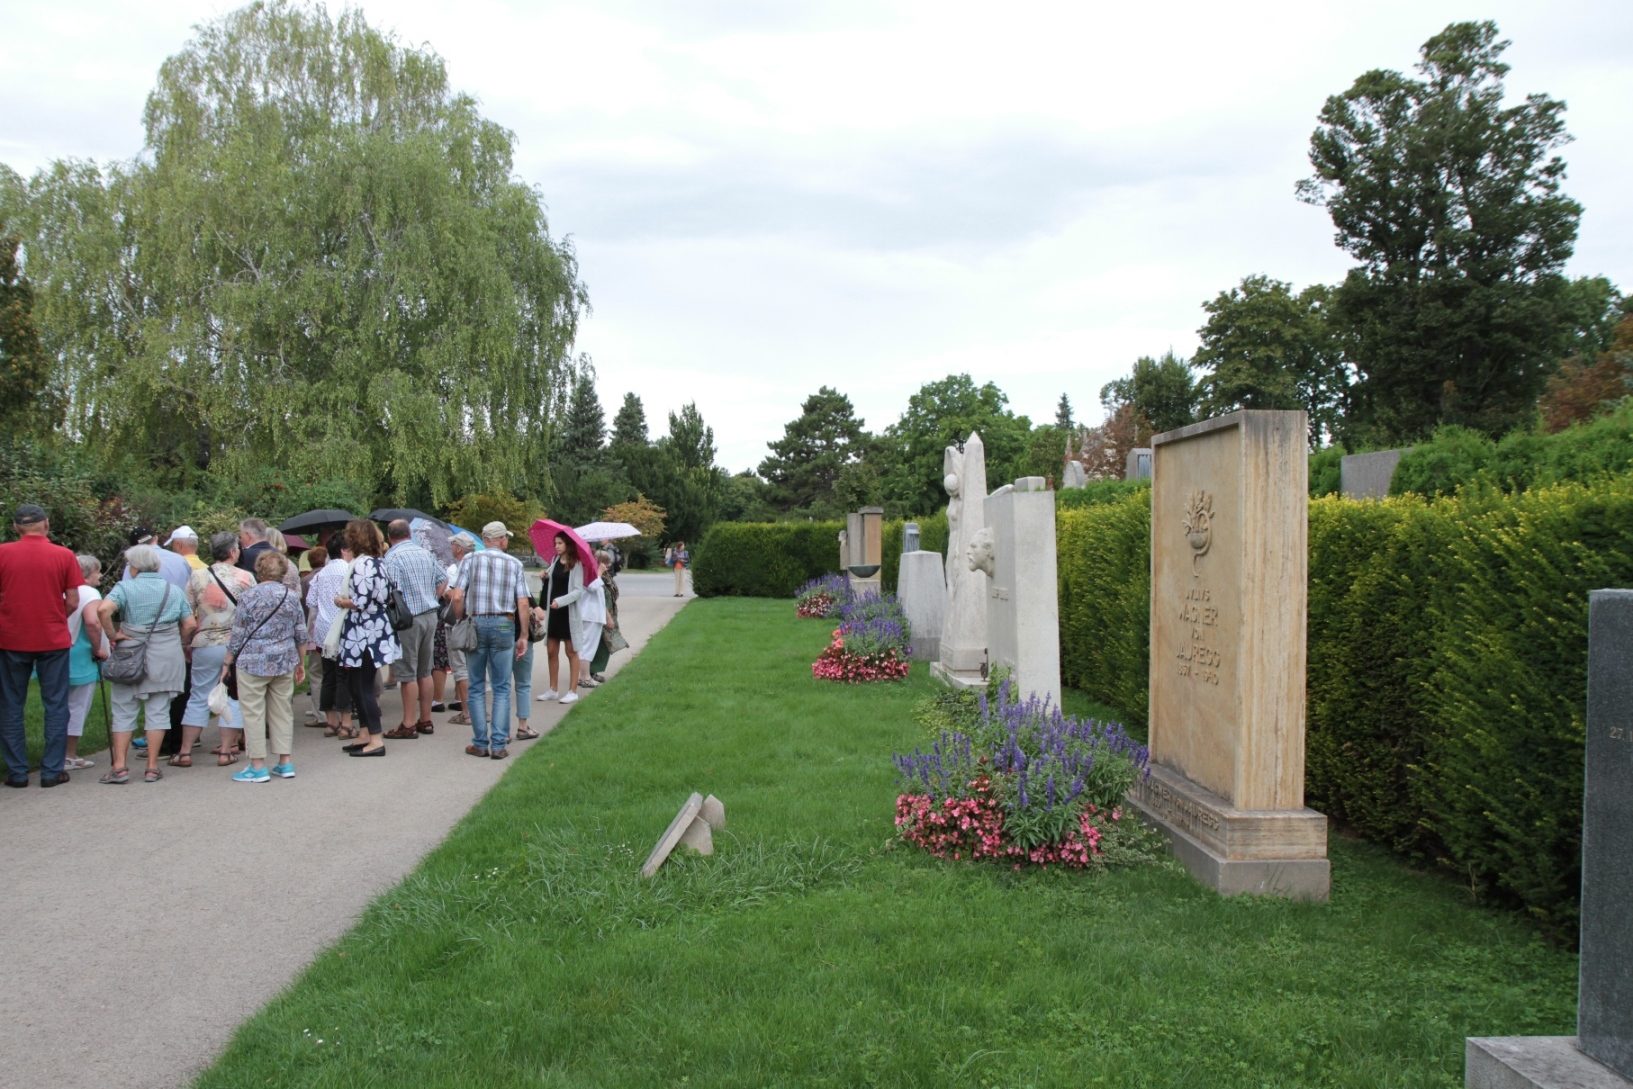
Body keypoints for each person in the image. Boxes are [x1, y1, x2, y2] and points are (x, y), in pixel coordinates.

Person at [0, 504, 85, 787]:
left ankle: (17, 771)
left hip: (11, 637)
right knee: (56, 703)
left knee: (11, 703)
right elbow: (73, 599)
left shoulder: (3, 553)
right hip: (52, 638)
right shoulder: (63, 555)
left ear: (15, 527)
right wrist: (54, 616)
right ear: (45, 524)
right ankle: (51, 770)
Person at [96, 544, 196, 783]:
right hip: (166, 655)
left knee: (123, 710)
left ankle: (119, 766)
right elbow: (190, 624)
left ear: (135, 567)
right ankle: (152, 767)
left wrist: (113, 635)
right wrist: (180, 641)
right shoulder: (173, 591)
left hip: (130, 654)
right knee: (159, 710)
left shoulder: (124, 588)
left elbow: (103, 610)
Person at [223, 550, 307, 783]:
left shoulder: (248, 597)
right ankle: (285, 762)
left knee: (253, 713)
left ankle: (257, 765)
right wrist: (301, 662)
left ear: (259, 571)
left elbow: (238, 634)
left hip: (252, 661)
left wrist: (227, 662)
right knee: (282, 712)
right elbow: (300, 633)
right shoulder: (291, 597)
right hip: (284, 660)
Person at [448, 522, 528, 759]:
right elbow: (523, 602)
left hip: (478, 621)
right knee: (502, 686)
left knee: (476, 685)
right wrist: (523, 635)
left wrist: (461, 616)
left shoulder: (470, 560)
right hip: (504, 622)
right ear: (502, 540)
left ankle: (480, 742)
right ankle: (499, 743)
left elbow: (458, 595)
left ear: (485, 539)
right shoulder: (514, 563)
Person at [180, 532, 253, 766]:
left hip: (204, 643)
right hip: (236, 645)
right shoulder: (245, 577)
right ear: (232, 552)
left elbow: (187, 612)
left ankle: (185, 752)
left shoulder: (197, 576)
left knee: (198, 695)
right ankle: (225, 751)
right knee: (232, 696)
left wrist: (186, 642)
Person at [333, 519, 400, 757]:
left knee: (362, 686)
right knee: (357, 684)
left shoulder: (362, 564)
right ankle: (365, 733)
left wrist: (341, 601)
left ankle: (375, 738)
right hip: (374, 629)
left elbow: (361, 601)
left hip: (363, 632)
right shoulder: (379, 562)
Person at [380, 519, 447, 741]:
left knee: (407, 672)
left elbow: (392, 590)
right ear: (409, 534)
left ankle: (408, 723)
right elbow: (443, 579)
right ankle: (425, 719)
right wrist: (432, 597)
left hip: (408, 618)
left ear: (390, 537)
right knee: (425, 670)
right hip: (430, 614)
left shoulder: (392, 557)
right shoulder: (425, 553)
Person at [305, 543, 354, 739]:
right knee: (344, 676)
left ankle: (331, 721)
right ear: (344, 549)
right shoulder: (349, 570)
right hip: (343, 628)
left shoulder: (321, 574)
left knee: (328, 676)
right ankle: (346, 723)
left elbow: (311, 602)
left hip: (323, 631)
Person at [64, 553, 108, 770]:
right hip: (80, 653)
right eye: (97, 571)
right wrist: (99, 648)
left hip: (57, 652)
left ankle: (56, 753)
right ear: (88, 574)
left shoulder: (62, 588)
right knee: (77, 705)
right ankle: (69, 754)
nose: (100, 576)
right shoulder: (89, 592)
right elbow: (92, 623)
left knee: (56, 704)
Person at [537, 532, 587, 704]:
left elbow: (578, 591)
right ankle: (553, 689)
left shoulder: (576, 564)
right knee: (551, 650)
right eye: (555, 543)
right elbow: (553, 583)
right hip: (554, 612)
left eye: (560, 543)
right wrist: (545, 576)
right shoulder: (554, 561)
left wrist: (561, 601)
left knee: (571, 651)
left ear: (568, 544)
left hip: (568, 613)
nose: (556, 546)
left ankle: (573, 691)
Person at [439, 534, 474, 725]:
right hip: (475, 621)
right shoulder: (478, 565)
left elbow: (454, 595)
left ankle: (467, 712)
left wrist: (447, 592)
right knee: (472, 666)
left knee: (460, 667)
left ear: (459, 548)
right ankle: (473, 709)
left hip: (458, 622)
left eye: (453, 544)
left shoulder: (458, 569)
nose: (451, 547)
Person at [512, 593, 546, 741]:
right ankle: (523, 726)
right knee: (523, 684)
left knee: (501, 686)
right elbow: (541, 614)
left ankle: (501, 729)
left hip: (501, 637)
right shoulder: (522, 588)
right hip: (522, 636)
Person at [585, 549, 622, 685]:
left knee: (603, 645)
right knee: (598, 644)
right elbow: (599, 597)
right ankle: (590, 672)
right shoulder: (595, 576)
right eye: (606, 562)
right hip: (601, 615)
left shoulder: (606, 575)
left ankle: (593, 671)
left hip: (608, 613)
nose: (609, 565)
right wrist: (608, 617)